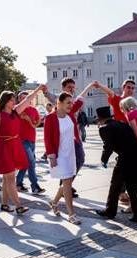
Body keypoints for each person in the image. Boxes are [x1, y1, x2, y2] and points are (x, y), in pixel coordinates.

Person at [95, 105, 137, 222]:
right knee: (131, 186)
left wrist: (104, 160)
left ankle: (110, 211)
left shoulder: (105, 128)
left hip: (126, 158)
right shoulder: (122, 124)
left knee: (115, 185)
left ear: (100, 119)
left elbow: (108, 146)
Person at [0, 88, 43, 214]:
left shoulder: (15, 112)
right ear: (5, 101)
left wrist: (38, 90)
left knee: (7, 179)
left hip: (15, 145)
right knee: (10, 177)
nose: (14, 102)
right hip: (4, 146)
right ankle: (18, 206)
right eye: (11, 100)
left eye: (14, 100)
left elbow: (28, 100)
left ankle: (4, 204)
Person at [44, 85, 93, 225]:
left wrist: (89, 87)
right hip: (59, 156)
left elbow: (80, 100)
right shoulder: (50, 118)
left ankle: (54, 203)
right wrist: (51, 156)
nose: (71, 105)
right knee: (67, 183)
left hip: (71, 153)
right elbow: (47, 139)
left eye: (71, 103)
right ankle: (71, 214)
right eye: (68, 103)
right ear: (58, 103)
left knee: (68, 182)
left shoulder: (70, 116)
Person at [43, 78, 86, 198]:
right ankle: (66, 187)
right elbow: (50, 97)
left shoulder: (72, 100)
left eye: (73, 87)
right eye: (69, 87)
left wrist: (90, 87)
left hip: (74, 137)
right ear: (63, 88)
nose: (72, 89)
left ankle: (66, 185)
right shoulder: (59, 99)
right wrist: (45, 92)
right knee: (71, 163)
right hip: (62, 139)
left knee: (80, 160)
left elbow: (80, 99)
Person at [15, 90, 45, 195]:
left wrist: (29, 121)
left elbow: (38, 123)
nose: (25, 100)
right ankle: (35, 186)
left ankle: (18, 183)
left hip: (32, 140)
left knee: (26, 163)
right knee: (31, 163)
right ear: (19, 99)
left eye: (26, 98)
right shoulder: (17, 110)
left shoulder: (33, 109)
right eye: (22, 98)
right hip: (21, 140)